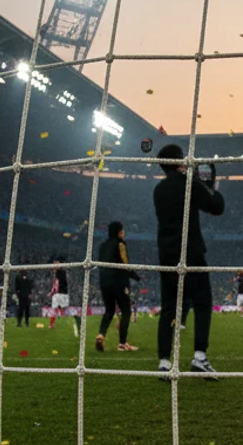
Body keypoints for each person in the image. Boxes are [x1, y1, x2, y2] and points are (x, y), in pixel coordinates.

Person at [154, 144, 225, 378]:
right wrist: (212, 187)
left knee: (169, 307)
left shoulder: (158, 189)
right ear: (179, 161)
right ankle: (200, 357)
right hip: (190, 252)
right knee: (203, 302)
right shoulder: (188, 184)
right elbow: (217, 207)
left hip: (167, 255)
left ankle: (164, 362)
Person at [95, 221, 140, 352]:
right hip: (119, 281)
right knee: (126, 311)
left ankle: (101, 335)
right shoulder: (120, 244)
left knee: (109, 310)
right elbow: (125, 264)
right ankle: (122, 344)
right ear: (119, 232)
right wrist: (136, 276)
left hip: (104, 282)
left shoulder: (102, 246)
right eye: (122, 230)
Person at [49, 257, 80, 336]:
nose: (54, 266)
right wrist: (52, 292)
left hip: (60, 294)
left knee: (55, 309)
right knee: (64, 310)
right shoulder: (61, 273)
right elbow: (56, 283)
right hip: (63, 293)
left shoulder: (60, 272)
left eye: (55, 263)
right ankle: (76, 315)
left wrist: (52, 292)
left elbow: (56, 283)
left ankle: (52, 324)